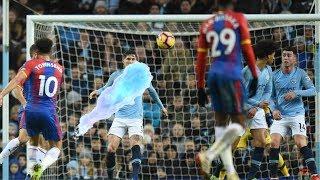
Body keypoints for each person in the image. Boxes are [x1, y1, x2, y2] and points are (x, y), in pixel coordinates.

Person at [195, 0, 258, 179]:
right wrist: (254, 74)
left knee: (221, 124)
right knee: (239, 124)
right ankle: (210, 155)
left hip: (214, 75)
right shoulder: (238, 19)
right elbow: (247, 49)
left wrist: (200, 86)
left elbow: (200, 59)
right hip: (231, 75)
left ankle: (230, 172)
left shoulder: (207, 23)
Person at [88, 50, 168, 180]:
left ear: (136, 61)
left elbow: (152, 92)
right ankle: (110, 177)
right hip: (119, 117)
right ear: (123, 61)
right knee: (111, 148)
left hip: (135, 118)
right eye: (128, 59)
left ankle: (134, 177)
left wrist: (162, 107)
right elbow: (106, 88)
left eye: (133, 59)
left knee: (135, 145)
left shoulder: (141, 76)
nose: (130, 61)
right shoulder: (116, 75)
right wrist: (98, 91)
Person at [0, 38, 64, 180]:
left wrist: (4, 95)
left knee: (24, 139)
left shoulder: (30, 65)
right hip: (49, 110)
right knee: (55, 146)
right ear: (51, 50)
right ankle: (38, 168)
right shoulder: (59, 68)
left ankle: (3, 158)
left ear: (35, 53)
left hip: (31, 108)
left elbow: (16, 84)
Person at [241, 39, 289, 179]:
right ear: (268, 55)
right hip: (241, 109)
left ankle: (250, 177)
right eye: (273, 54)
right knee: (233, 146)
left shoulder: (268, 70)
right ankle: (215, 174)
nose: (274, 57)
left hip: (257, 110)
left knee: (261, 142)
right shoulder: (248, 71)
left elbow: (268, 90)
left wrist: (259, 105)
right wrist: (256, 104)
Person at [269, 46, 319, 180]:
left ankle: (314, 175)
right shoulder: (274, 75)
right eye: (284, 55)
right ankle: (273, 177)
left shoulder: (301, 73)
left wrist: (296, 93)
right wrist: (274, 109)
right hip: (280, 116)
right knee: (273, 142)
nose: (285, 58)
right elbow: (270, 96)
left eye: (289, 55)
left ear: (295, 59)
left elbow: (313, 90)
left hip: (296, 114)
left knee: (300, 142)